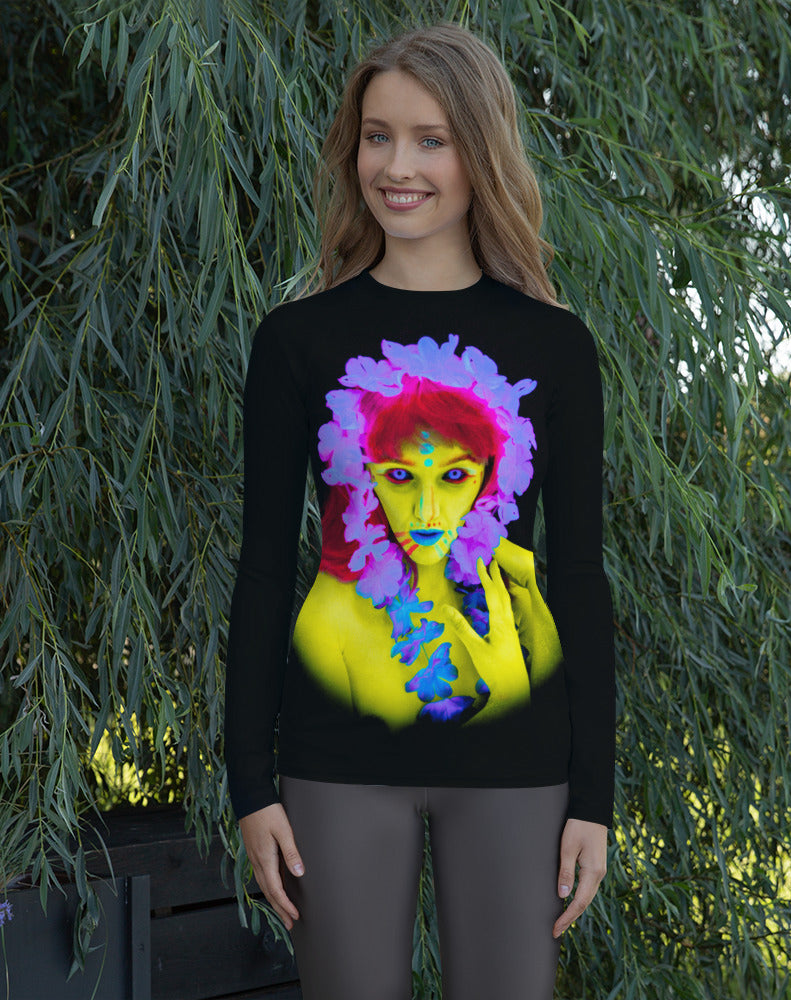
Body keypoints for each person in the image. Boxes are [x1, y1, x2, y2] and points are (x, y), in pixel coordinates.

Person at [224, 22, 616, 1000]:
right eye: (377, 136)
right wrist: (250, 785)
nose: (396, 167)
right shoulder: (295, 343)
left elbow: (578, 576)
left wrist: (594, 798)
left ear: (479, 152)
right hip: (336, 759)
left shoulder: (557, 349)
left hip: (519, 762)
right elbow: (264, 569)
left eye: (430, 139)